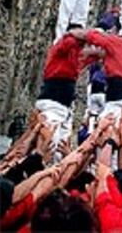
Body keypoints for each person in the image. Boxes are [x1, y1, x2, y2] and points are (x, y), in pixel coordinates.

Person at [35, 28, 93, 156]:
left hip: (62, 105)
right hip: (54, 100)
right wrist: (85, 35)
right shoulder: (65, 46)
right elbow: (70, 41)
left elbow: (94, 55)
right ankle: (35, 170)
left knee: (58, 149)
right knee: (49, 143)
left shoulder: (74, 57)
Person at [74, 26, 122, 123]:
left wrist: (72, 33)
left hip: (118, 99)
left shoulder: (116, 42)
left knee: (106, 132)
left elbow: (91, 36)